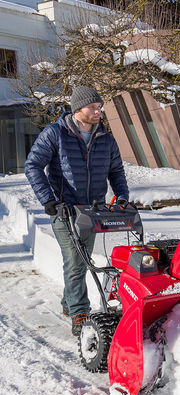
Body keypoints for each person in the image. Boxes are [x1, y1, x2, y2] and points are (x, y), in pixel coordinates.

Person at [25, 86, 129, 336]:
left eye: (99, 107)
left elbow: (116, 171)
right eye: (93, 107)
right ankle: (80, 312)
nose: (98, 111)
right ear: (78, 108)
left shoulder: (105, 137)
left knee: (82, 261)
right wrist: (48, 200)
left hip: (93, 211)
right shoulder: (55, 133)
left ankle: (67, 304)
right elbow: (33, 165)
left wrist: (122, 196)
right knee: (75, 261)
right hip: (64, 209)